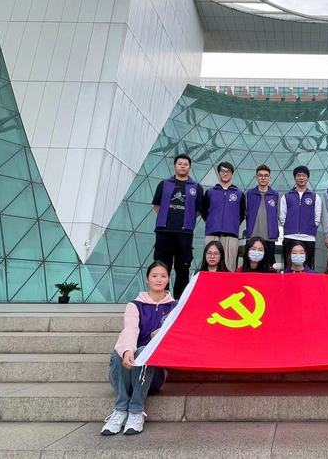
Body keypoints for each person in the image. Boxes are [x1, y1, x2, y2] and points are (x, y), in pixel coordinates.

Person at [101, 261, 176, 436]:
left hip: (153, 374)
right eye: (154, 276)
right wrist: (127, 350)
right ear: (147, 279)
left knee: (144, 352)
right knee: (119, 353)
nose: (159, 279)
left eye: (163, 276)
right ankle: (120, 411)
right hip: (127, 373)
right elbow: (130, 328)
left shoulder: (174, 307)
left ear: (168, 279)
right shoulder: (135, 305)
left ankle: (135, 411)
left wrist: (161, 334)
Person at [151, 154, 203, 299]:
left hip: (184, 233)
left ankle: (180, 300)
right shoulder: (164, 184)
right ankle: (162, 298)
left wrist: (186, 219)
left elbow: (198, 210)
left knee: (183, 268)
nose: (182, 166)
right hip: (164, 232)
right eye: (180, 164)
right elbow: (157, 206)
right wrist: (167, 218)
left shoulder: (196, 187)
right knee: (162, 266)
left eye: (185, 164)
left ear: (189, 167)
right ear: (175, 166)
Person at [202, 162, 245, 271]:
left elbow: (241, 214)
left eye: (228, 171)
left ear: (232, 174)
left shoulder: (239, 194)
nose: (225, 174)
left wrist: (231, 223)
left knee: (229, 267)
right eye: (222, 171)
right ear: (219, 173)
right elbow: (204, 212)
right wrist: (212, 223)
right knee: (209, 266)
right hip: (212, 234)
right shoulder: (210, 192)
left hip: (231, 235)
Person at [279, 165, 322, 269]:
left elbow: (318, 217)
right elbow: (282, 216)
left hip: (308, 238)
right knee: (289, 267)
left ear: (307, 178)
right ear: (295, 178)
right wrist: (289, 227)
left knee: (308, 268)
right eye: (298, 175)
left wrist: (311, 227)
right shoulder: (286, 196)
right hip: (290, 236)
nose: (301, 178)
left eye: (304, 175)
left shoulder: (315, 197)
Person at [244, 165, 279, 268]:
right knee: (250, 265)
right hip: (252, 236)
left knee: (269, 266)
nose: (263, 178)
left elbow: (278, 215)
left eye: (266, 175)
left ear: (270, 177)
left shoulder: (275, 195)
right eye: (260, 175)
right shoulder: (249, 194)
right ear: (256, 177)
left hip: (269, 238)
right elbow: (244, 213)